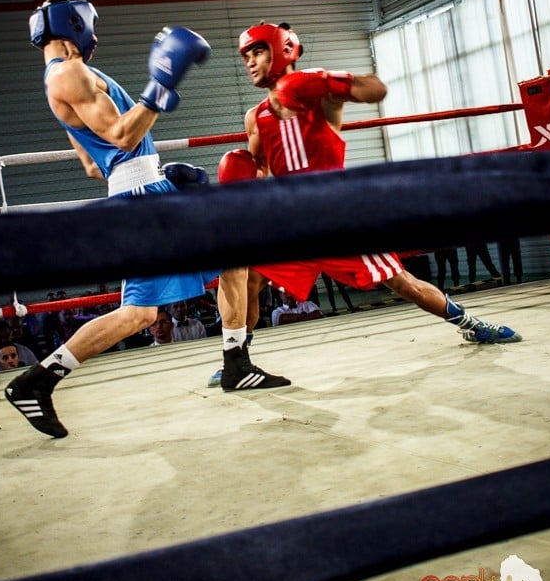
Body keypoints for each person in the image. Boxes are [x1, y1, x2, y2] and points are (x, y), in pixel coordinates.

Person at [216, 21, 522, 383]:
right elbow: (262, 171)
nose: (250, 62)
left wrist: (328, 81)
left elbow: (375, 89)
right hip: (291, 218)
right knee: (247, 278)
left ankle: (471, 323)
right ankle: (237, 361)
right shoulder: (256, 117)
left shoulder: (317, 94)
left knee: (401, 282)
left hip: (337, 216)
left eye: (258, 51)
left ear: (282, 51)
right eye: (246, 55)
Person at [3, 0, 219, 439]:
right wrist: (159, 85)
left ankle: (237, 358)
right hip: (139, 198)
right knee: (139, 313)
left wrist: (161, 171)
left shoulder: (62, 78)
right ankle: (34, 381)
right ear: (75, 23)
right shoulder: (70, 73)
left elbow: (90, 163)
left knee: (229, 256)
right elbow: (121, 137)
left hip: (145, 189)